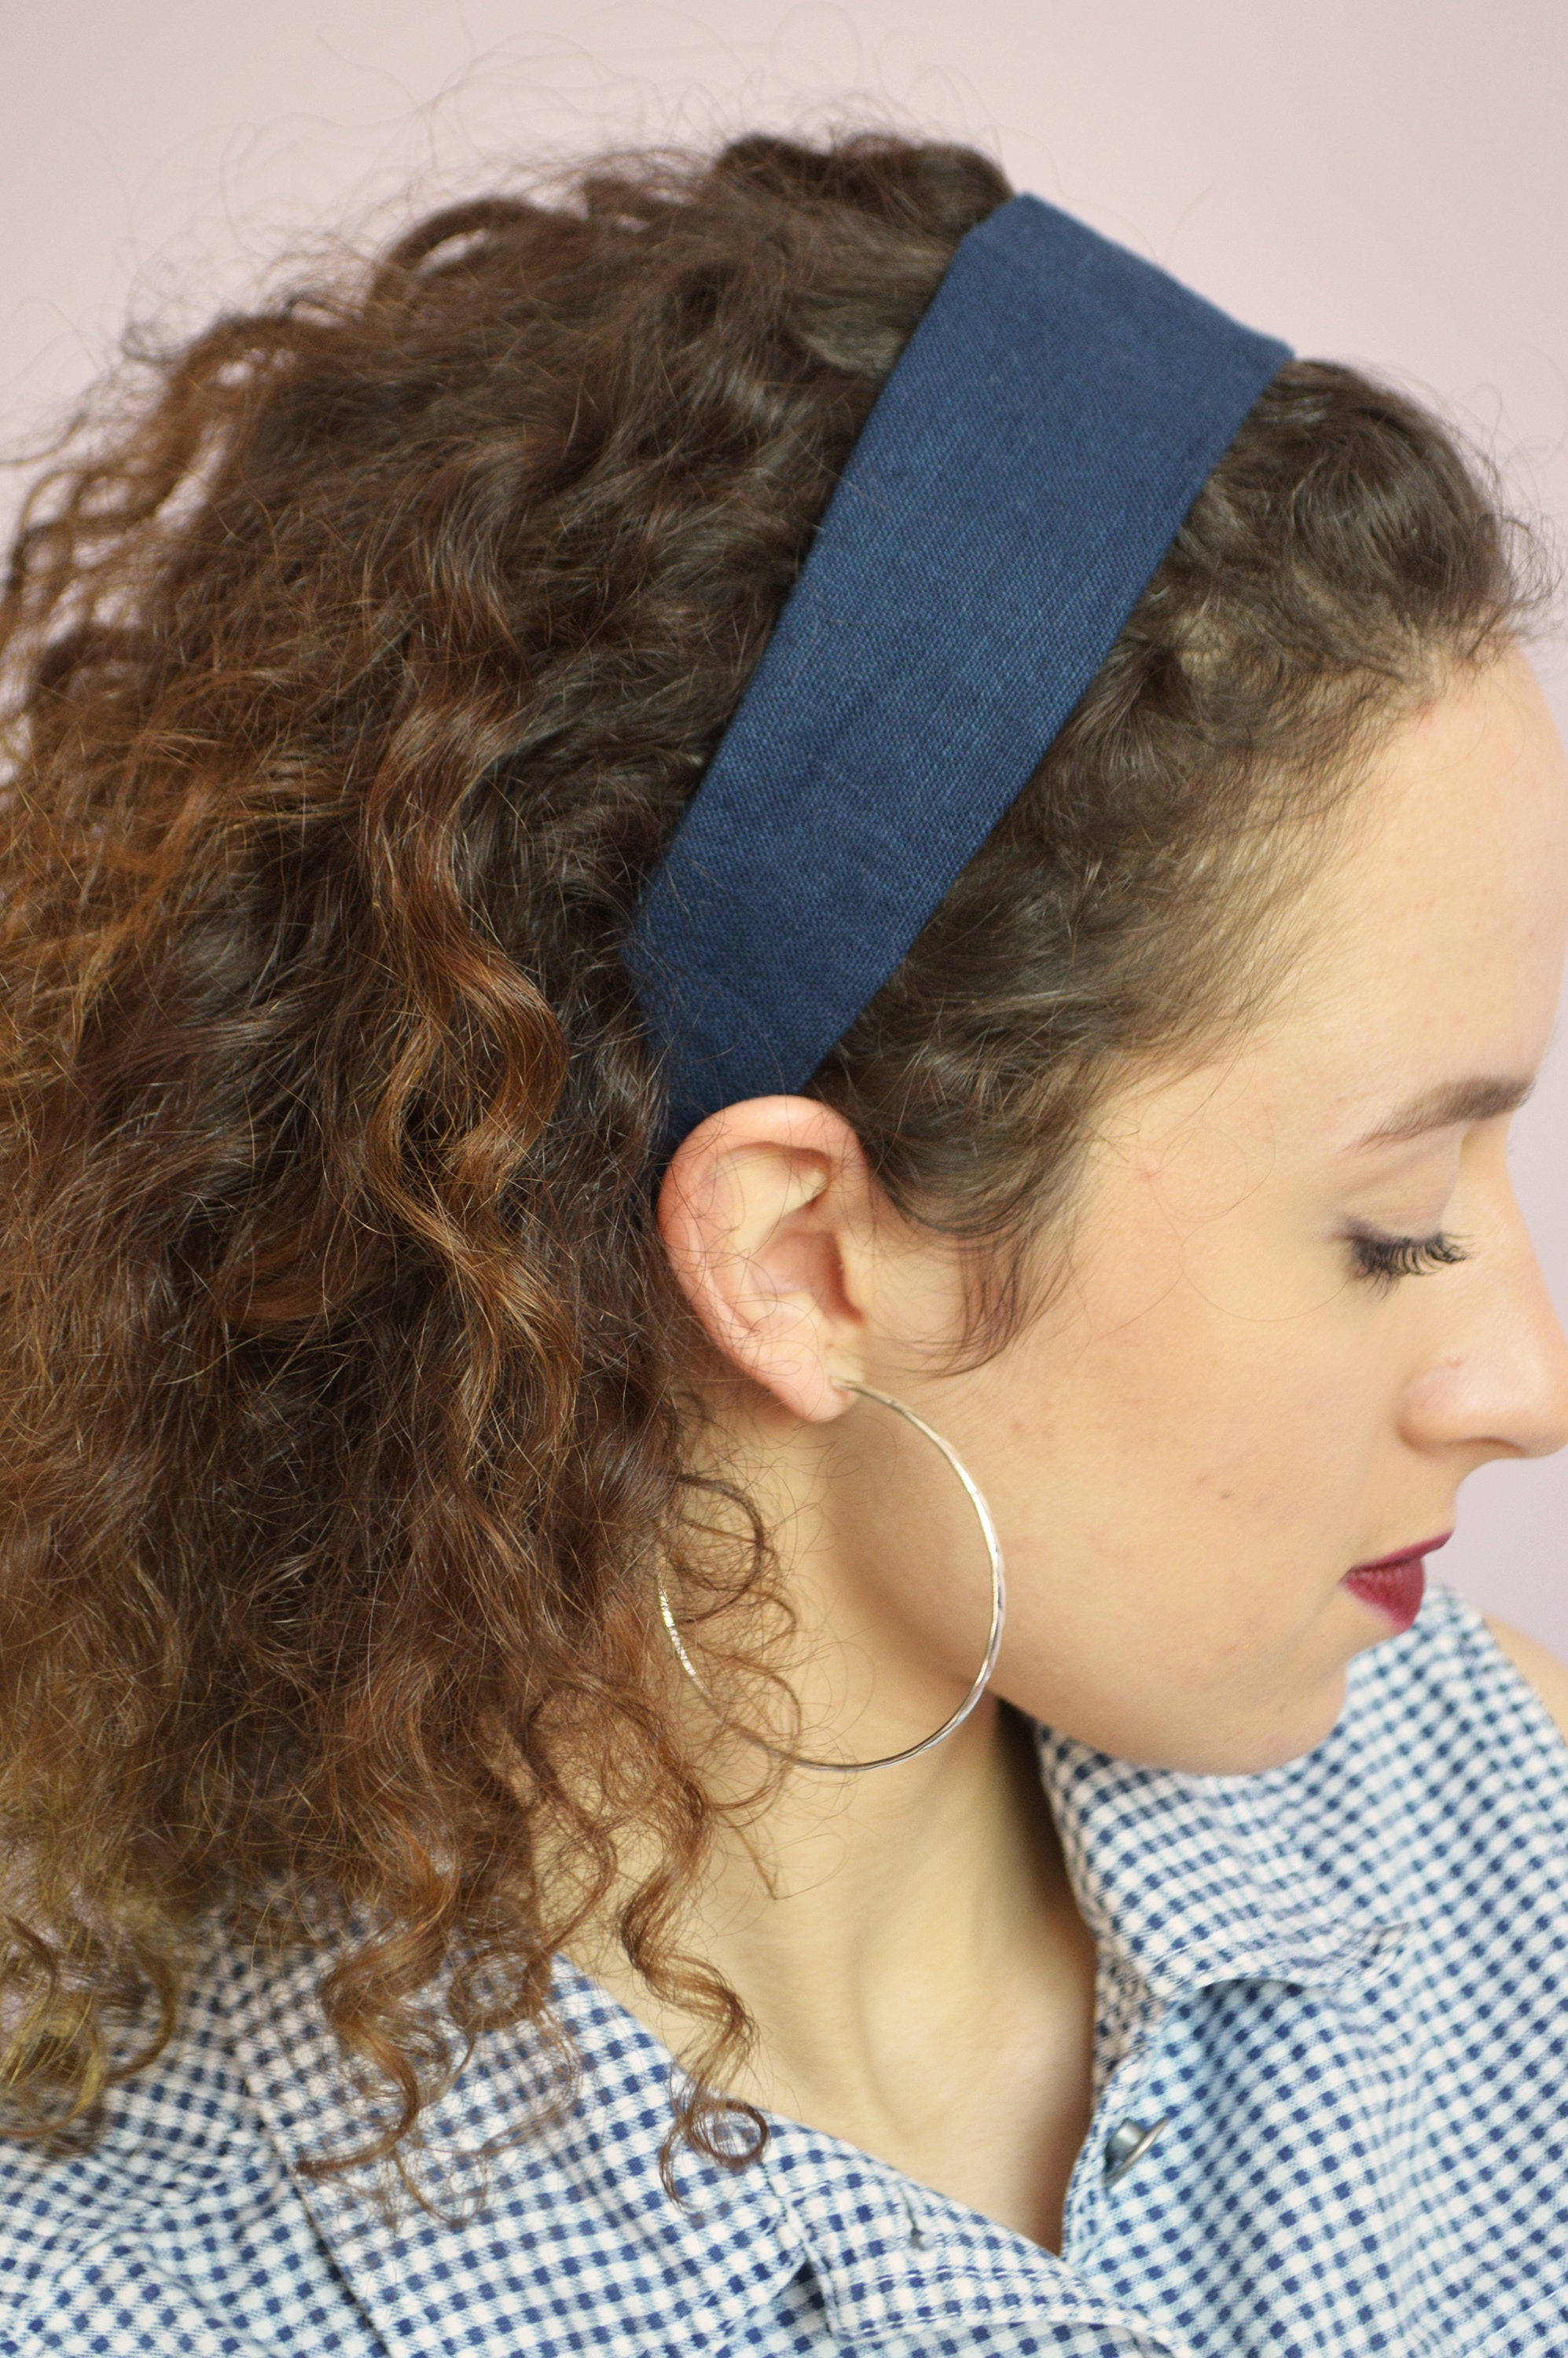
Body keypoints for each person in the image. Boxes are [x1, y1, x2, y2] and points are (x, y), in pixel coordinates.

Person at [2, 127, 1566, 2358]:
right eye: (1389, 1224)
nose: (1526, 1380)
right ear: (805, 1259)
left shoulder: (1508, 1843)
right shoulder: (129, 2303)